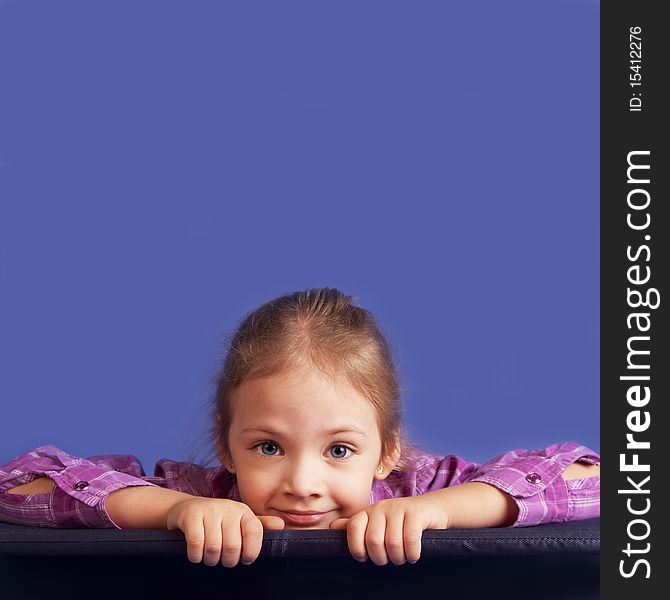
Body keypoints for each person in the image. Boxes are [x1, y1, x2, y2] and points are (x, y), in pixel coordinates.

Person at [0, 287, 600, 568]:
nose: (304, 482)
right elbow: (19, 485)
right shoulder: (199, 495)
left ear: (387, 450)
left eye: (340, 449)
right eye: (268, 446)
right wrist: (169, 513)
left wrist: (441, 512)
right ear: (226, 446)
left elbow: (591, 477)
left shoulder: (422, 488)